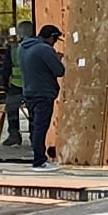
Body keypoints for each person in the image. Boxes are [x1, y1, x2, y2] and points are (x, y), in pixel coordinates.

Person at [11, 21, 67, 167]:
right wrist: (57, 59)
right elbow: (59, 71)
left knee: (35, 126)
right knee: (41, 127)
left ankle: (38, 157)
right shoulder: (45, 49)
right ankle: (39, 160)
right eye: (55, 40)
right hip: (43, 93)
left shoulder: (23, 48)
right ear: (51, 37)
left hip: (29, 92)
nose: (54, 43)